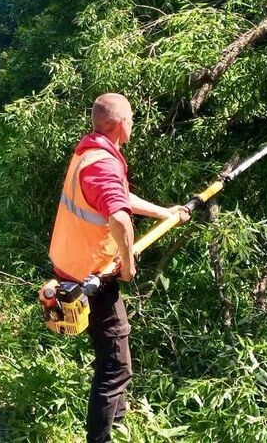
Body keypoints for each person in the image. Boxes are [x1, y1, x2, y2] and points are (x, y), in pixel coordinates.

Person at [48, 93, 190, 442]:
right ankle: (101, 438)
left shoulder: (90, 152)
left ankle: (119, 421)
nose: (133, 124)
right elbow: (120, 219)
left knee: (113, 352)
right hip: (91, 275)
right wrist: (127, 264)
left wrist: (165, 212)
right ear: (121, 123)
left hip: (72, 264)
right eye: (131, 119)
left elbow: (118, 198)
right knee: (116, 366)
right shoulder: (102, 164)